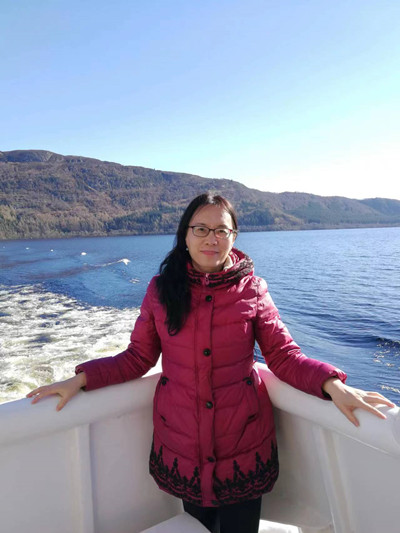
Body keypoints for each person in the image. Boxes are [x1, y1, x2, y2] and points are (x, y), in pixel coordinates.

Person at [27, 193, 395, 533]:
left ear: (234, 237)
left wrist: (332, 384)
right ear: (185, 236)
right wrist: (81, 379)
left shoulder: (252, 289)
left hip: (244, 444)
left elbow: (284, 355)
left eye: (222, 230)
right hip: (182, 443)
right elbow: (137, 357)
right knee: (197, 527)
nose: (211, 239)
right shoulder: (160, 290)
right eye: (201, 229)